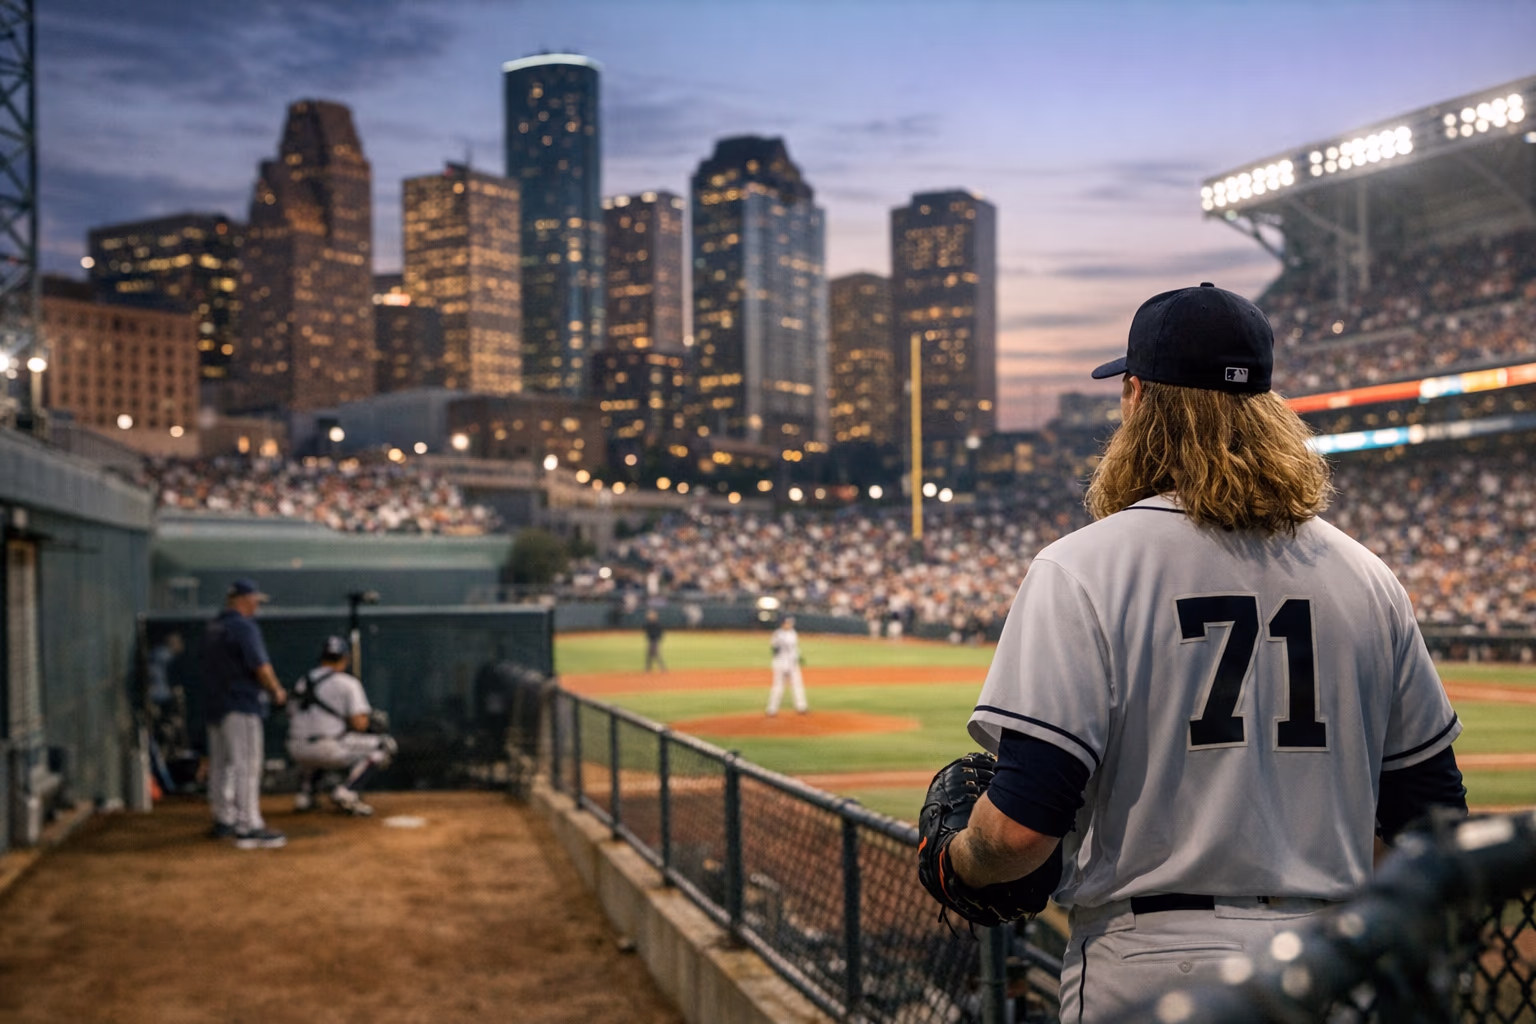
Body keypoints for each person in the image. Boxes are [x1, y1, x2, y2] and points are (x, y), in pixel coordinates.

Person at [938, 283, 1467, 1022]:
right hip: (1330, 963)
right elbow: (1431, 822)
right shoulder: (1367, 576)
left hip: (1152, 963)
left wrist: (959, 857)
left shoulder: (1084, 566)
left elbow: (1021, 831)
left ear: (1134, 397)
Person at [202, 578, 288, 850]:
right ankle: (248, 825)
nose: (256, 606)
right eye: (253, 600)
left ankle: (224, 818)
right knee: (247, 765)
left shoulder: (214, 627)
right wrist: (276, 690)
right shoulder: (243, 627)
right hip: (241, 703)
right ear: (241, 600)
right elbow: (260, 666)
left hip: (215, 705)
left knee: (221, 766)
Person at [286, 635, 397, 817]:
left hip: (296, 749)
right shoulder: (348, 683)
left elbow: (291, 713)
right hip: (328, 748)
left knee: (315, 742)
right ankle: (347, 791)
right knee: (385, 746)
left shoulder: (303, 681)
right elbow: (359, 724)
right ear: (345, 658)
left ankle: (305, 795)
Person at [766, 615, 807, 716]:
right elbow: (774, 648)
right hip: (781, 664)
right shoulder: (777, 634)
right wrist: (777, 651)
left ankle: (801, 707)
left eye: (791, 623)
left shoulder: (793, 633)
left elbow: (794, 648)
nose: (790, 624)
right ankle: (772, 709)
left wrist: (798, 657)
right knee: (778, 686)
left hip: (793, 664)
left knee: (797, 685)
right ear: (783, 623)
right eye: (788, 623)